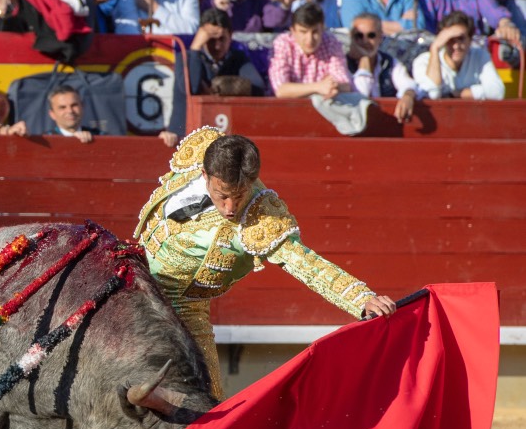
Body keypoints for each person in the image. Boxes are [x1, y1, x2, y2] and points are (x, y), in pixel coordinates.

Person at [134, 126, 396, 398]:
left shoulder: (262, 217)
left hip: (180, 308)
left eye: (240, 195)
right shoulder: (202, 149)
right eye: (223, 195)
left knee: (205, 400)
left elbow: (306, 264)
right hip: (129, 273)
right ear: (204, 174)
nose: (230, 208)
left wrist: (361, 298)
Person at [412, 10, 506, 99]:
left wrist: (457, 94)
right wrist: (435, 48)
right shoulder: (423, 60)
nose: (456, 46)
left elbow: (497, 92)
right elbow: (432, 93)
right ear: (442, 40)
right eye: (450, 40)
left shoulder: (479, 55)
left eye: (461, 39)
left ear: (470, 40)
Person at [268, 1, 353, 98]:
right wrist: (317, 87)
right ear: (293, 31)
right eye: (303, 32)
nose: (310, 39)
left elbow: (345, 85)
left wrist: (334, 87)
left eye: (315, 32)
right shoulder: (283, 43)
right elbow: (281, 90)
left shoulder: (331, 43)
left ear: (322, 28)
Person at [347, 12, 418, 121]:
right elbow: (360, 99)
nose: (365, 41)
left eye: (371, 35)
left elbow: (408, 84)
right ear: (351, 37)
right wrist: (364, 68)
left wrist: (408, 96)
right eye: (359, 36)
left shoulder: (389, 62)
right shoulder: (342, 64)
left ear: (380, 37)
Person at [186, 7, 267, 96]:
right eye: (211, 40)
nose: (217, 46)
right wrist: (195, 48)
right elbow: (193, 88)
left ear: (230, 35)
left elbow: (258, 87)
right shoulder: (185, 59)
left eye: (222, 39)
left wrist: (219, 88)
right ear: (201, 37)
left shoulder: (238, 59)